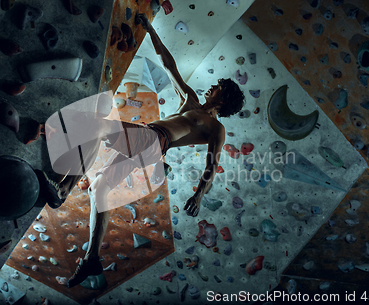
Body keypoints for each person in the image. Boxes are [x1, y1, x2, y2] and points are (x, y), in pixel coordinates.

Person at [64, 13, 245, 288]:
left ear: (224, 98)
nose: (212, 87)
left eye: (218, 87)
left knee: (98, 127)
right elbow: (169, 65)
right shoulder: (191, 100)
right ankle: (91, 258)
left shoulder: (215, 128)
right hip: (150, 144)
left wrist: (198, 196)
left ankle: (64, 186)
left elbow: (211, 165)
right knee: (98, 188)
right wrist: (150, 31)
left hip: (154, 141)